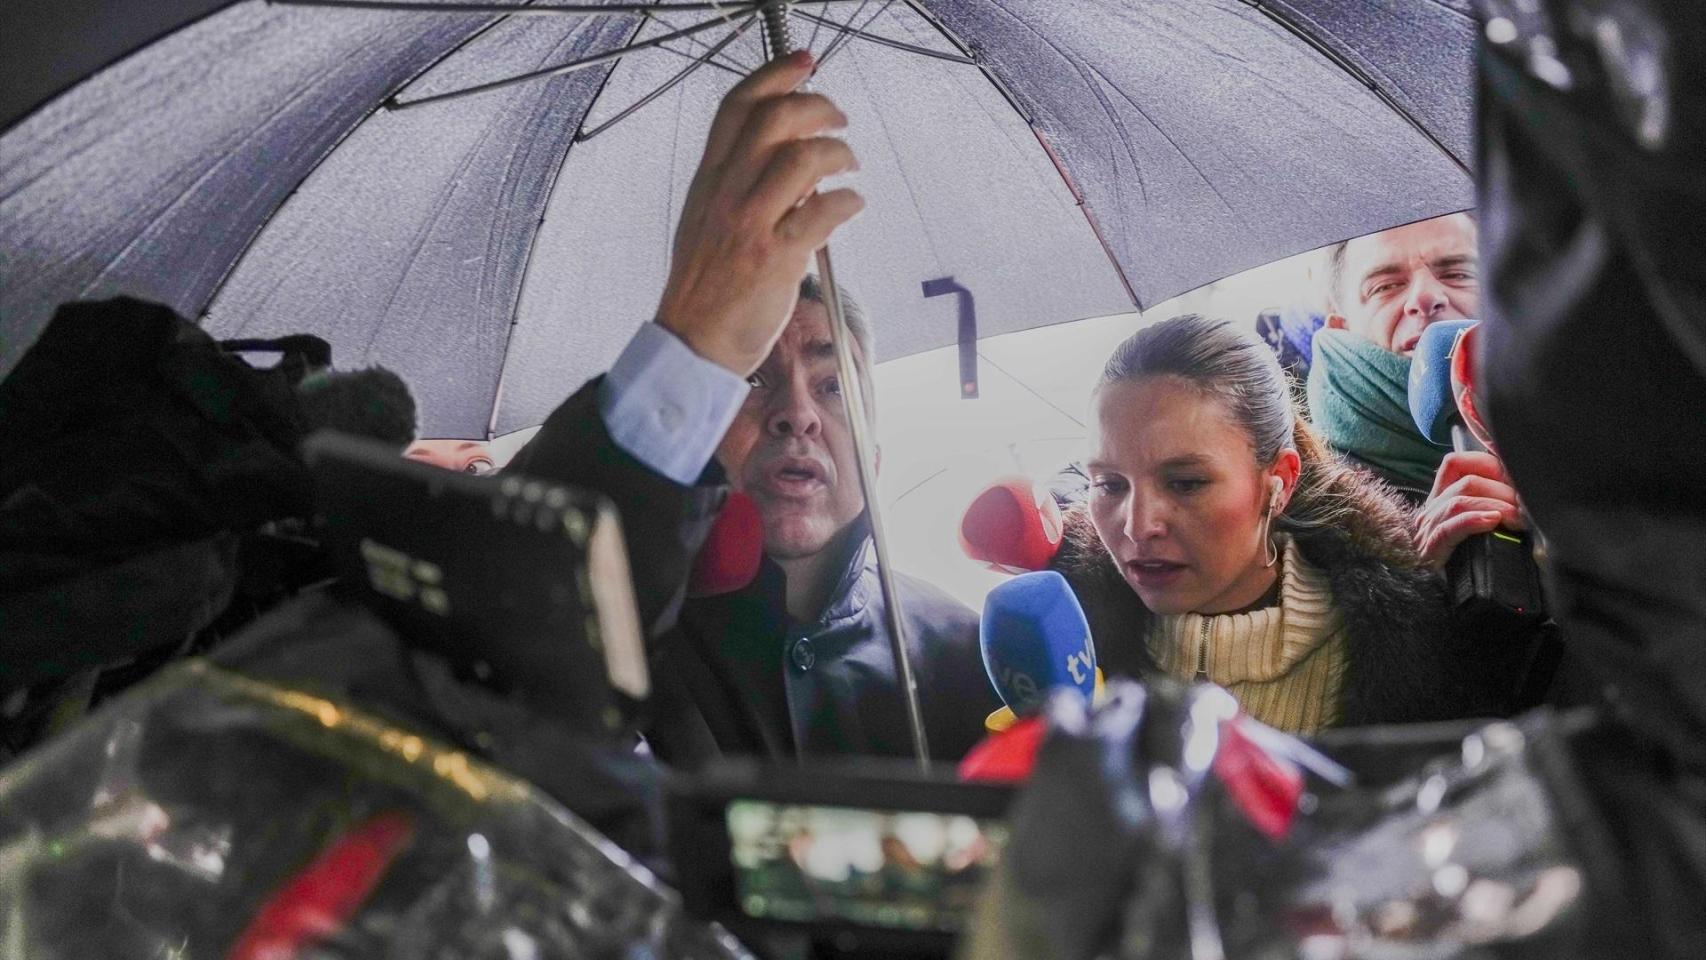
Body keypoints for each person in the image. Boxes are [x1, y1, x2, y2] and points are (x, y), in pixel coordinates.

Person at [506, 50, 997, 767]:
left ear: (877, 453)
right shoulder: (617, 625)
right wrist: (691, 337)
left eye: (833, 386)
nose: (797, 414)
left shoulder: (965, 651)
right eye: (753, 379)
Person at [1047, 313, 1522, 734]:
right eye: (1109, 484)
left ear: (1279, 482)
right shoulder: (1057, 646)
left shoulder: (1424, 642)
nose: (1137, 526)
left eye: (1186, 483)